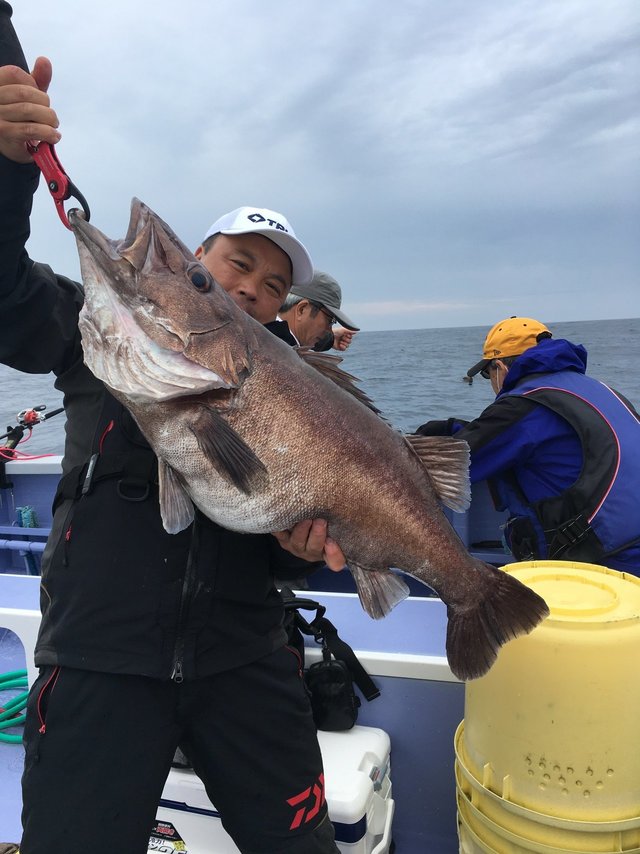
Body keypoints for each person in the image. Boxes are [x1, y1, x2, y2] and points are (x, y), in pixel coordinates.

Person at [0, 49, 345, 853]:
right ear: (201, 263)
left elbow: (288, 547)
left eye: (273, 284)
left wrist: (300, 552)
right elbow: (6, 293)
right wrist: (12, 171)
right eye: (238, 263)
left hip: (247, 660)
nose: (254, 287)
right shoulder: (94, 328)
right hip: (99, 655)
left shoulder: (294, 393)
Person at [416, 316, 640, 573]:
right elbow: (531, 432)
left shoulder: (522, 406)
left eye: (489, 374)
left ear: (499, 367)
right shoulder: (598, 389)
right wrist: (454, 428)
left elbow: (453, 465)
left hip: (609, 561)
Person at [279, 270, 360, 352]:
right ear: (302, 309)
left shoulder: (274, 338)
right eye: (330, 321)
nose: (329, 330)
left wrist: (330, 338)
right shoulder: (279, 352)